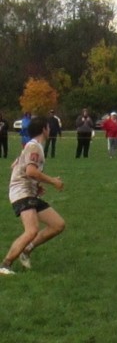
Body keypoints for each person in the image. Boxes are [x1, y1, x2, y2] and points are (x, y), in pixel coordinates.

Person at [0, 117, 65, 275]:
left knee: (58, 224)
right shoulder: (34, 147)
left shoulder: (32, 146)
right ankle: (5, 265)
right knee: (32, 230)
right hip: (21, 193)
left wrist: (36, 185)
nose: (50, 130)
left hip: (28, 191)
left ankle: (26, 249)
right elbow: (30, 171)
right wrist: (53, 181)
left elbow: (16, 166)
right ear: (44, 129)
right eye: (48, 127)